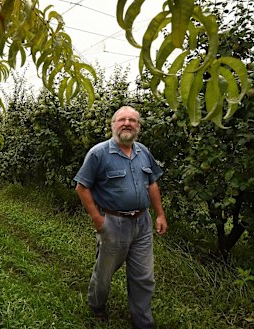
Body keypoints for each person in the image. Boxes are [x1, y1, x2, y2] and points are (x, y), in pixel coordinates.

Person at [74, 105, 168, 328]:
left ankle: (143, 322)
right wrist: (98, 219)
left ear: (138, 127)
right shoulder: (99, 153)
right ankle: (97, 306)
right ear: (113, 124)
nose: (127, 123)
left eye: (133, 120)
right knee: (104, 273)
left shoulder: (143, 151)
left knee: (144, 276)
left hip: (142, 223)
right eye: (122, 119)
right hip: (113, 223)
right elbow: (82, 187)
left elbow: (152, 183)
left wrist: (160, 215)